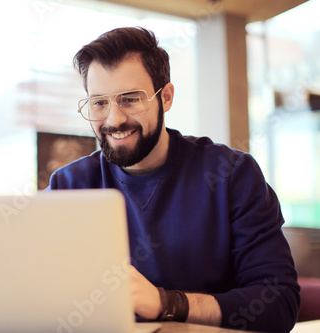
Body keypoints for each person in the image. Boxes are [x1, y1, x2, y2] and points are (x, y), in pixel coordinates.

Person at [47, 27, 300, 332]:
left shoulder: (232, 175)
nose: (113, 120)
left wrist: (166, 304)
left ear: (165, 97)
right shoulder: (68, 186)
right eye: (99, 103)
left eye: (129, 99)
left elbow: (278, 304)